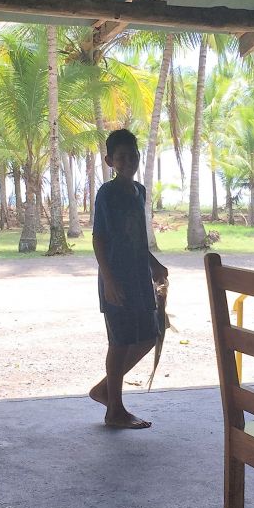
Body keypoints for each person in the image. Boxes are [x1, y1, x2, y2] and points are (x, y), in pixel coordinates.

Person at [89, 129, 168, 428]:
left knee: (150, 335)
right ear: (110, 161)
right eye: (121, 157)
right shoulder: (107, 194)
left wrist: (154, 264)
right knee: (120, 341)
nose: (129, 162)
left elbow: (135, 239)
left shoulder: (140, 192)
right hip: (116, 279)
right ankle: (115, 410)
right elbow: (99, 239)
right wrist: (109, 281)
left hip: (139, 278)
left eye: (133, 156)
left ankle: (104, 390)